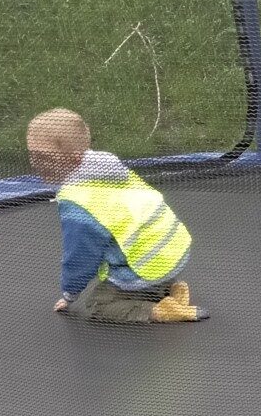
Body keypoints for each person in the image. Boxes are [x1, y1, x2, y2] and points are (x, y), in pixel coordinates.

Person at [26, 108, 204, 323]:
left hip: (147, 266)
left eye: (43, 157)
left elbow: (80, 257)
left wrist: (69, 294)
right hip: (174, 252)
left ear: (74, 158)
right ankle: (170, 289)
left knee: (98, 305)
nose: (35, 163)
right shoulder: (107, 167)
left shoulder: (77, 201)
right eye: (32, 155)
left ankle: (161, 310)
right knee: (130, 263)